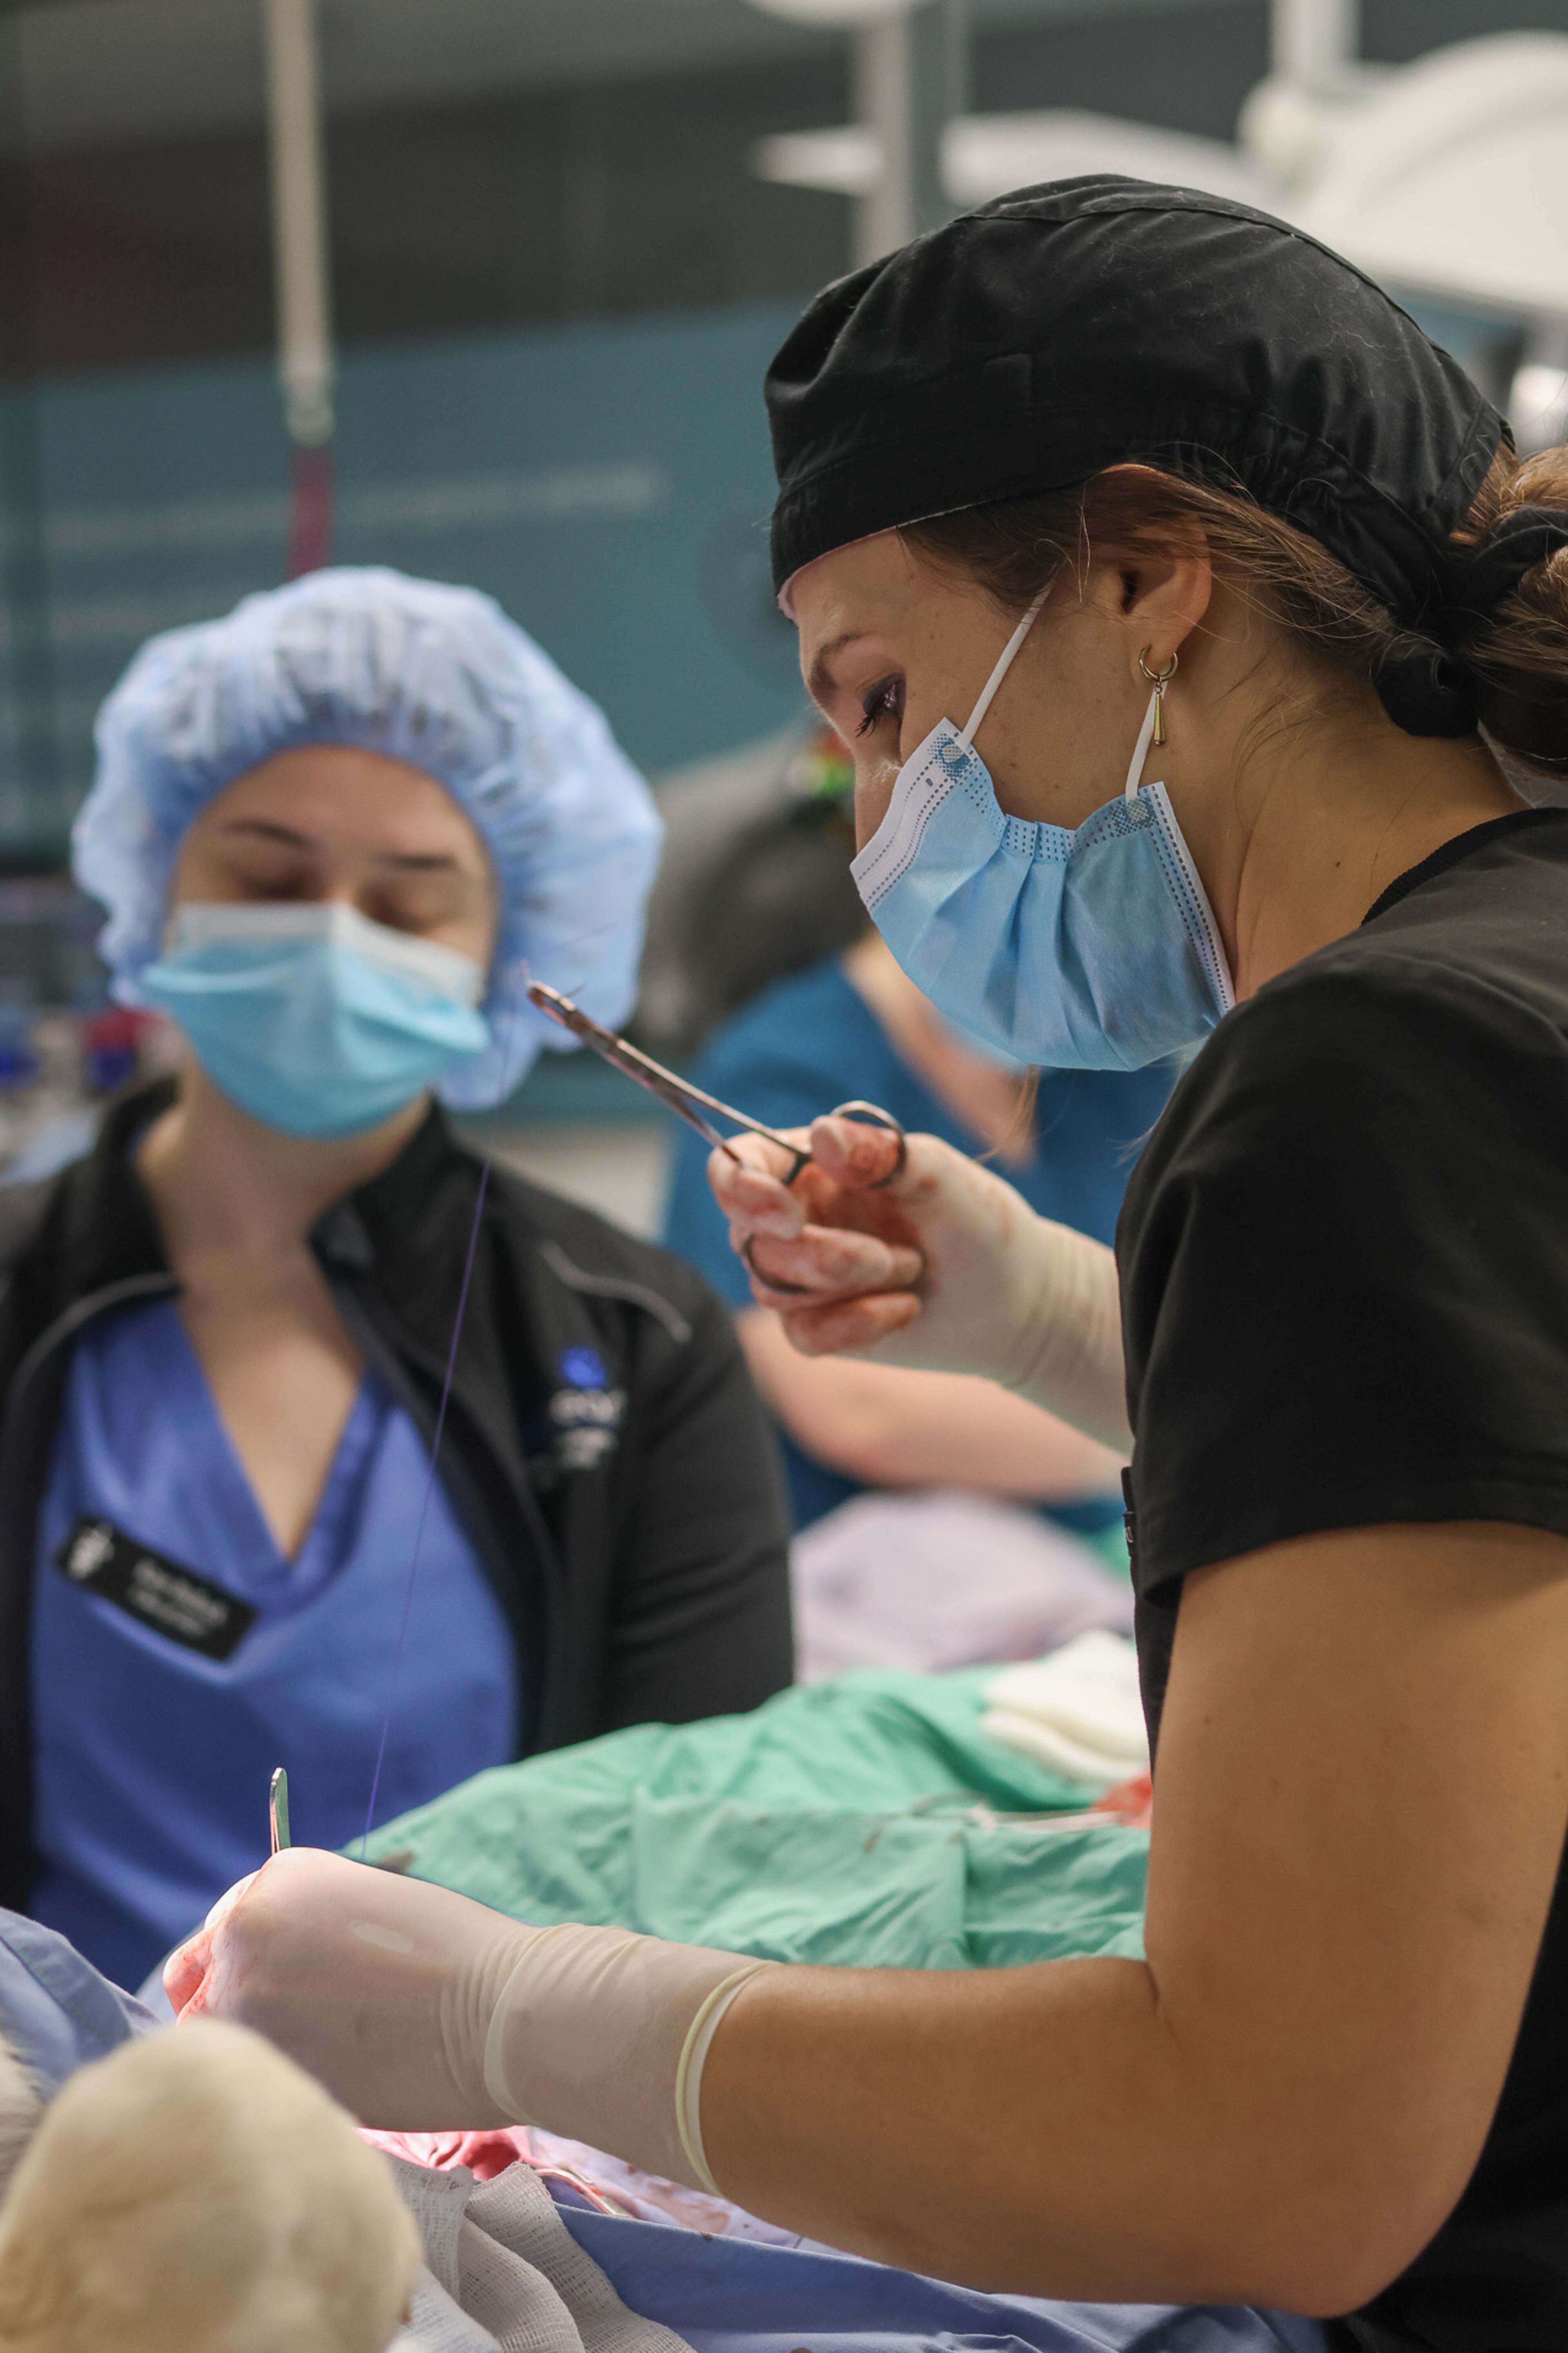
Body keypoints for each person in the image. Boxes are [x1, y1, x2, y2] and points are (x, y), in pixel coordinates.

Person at [166, 182, 1568, 2353]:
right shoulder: (1519, 977)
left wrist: (510, 2008)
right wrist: (1025, 1306)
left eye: (890, 699)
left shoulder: (1370, 1071)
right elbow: (1471, 1448)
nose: (880, 816)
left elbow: (1277, 2151)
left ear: (1139, 570)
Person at [0, 567, 792, 1992]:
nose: (332, 933)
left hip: (494, 2164)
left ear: (517, 956)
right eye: (268, 877)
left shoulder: (633, 1340)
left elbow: (696, 1863)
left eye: (409, 900)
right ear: (154, 879)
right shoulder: (22, 1291)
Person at [662, 815, 1165, 1535]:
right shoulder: (784, 1070)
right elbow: (856, 1409)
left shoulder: (1105, 1070)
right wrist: (1162, 1437)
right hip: (870, 1577)